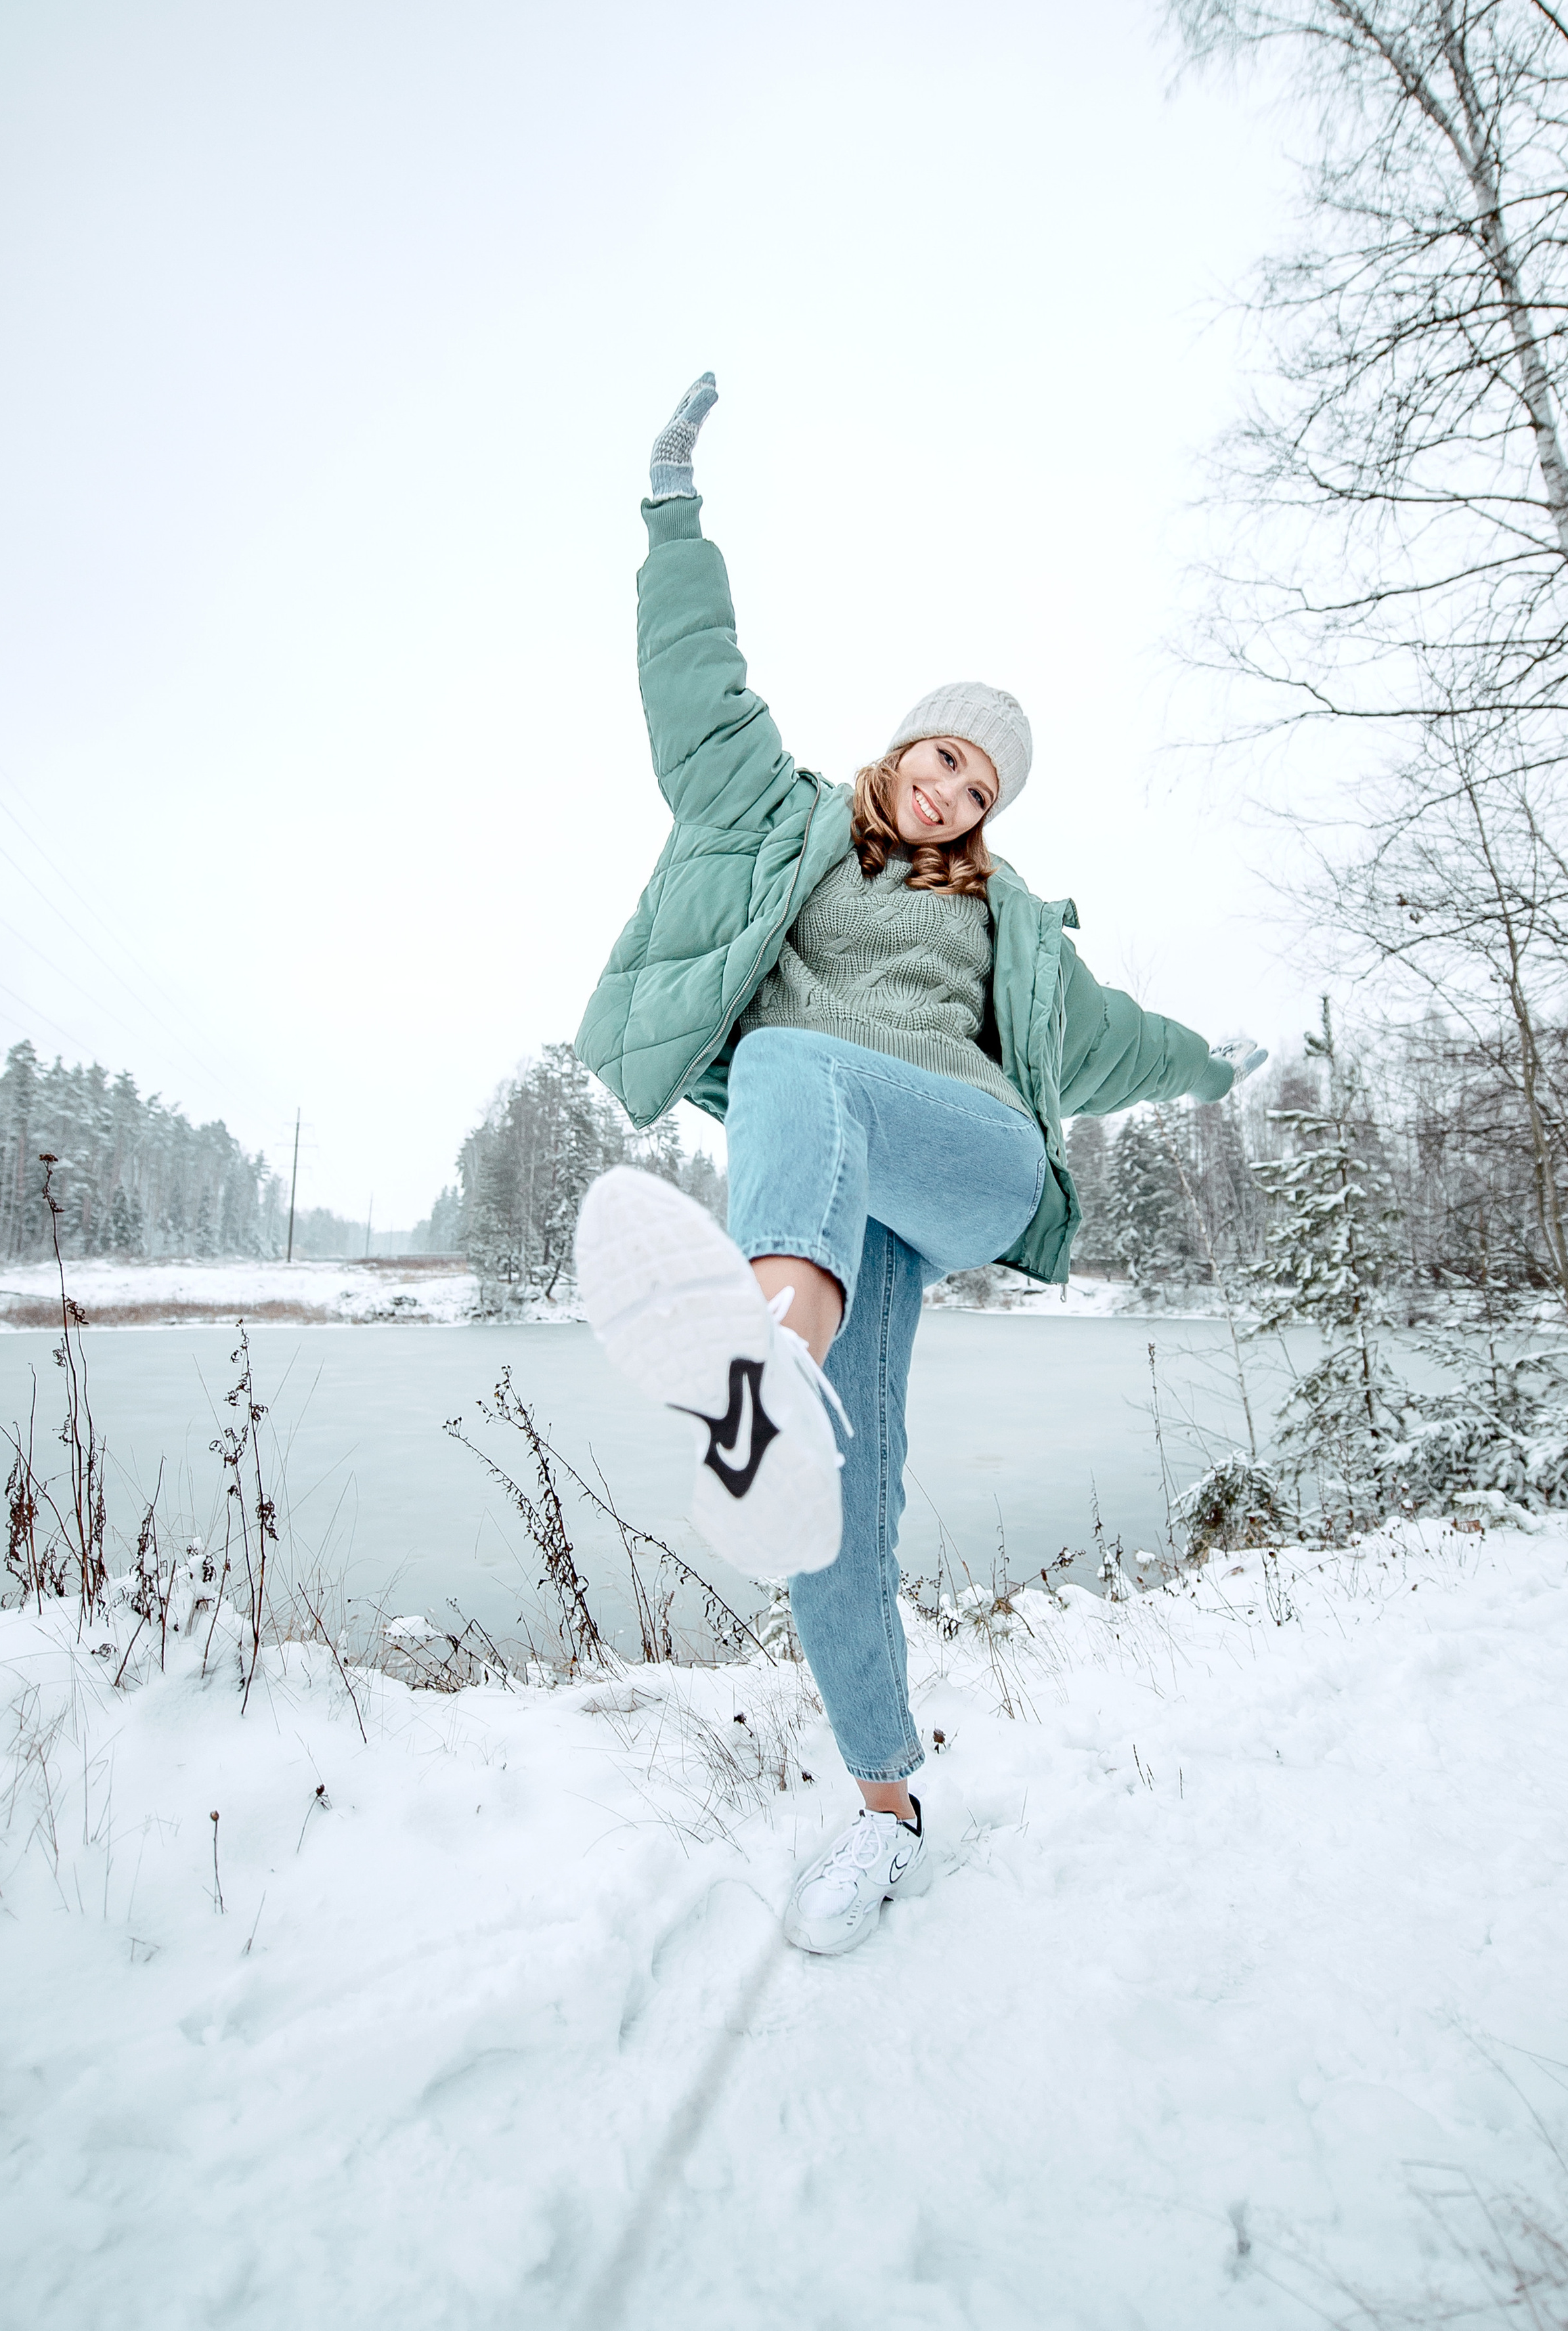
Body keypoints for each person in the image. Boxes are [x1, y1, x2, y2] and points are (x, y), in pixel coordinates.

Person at [575, 374, 1265, 1957]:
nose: (950, 791)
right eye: (942, 757)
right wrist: (673, 512)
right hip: (832, 1204)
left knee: (792, 1062)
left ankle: (760, 1359)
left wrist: (1223, 1064)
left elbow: (1127, 1044)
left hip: (962, 1159)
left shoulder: (1011, 927)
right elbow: (696, 681)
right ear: (901, 745)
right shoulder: (775, 817)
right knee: (835, 1513)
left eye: (979, 787)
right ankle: (885, 1807)